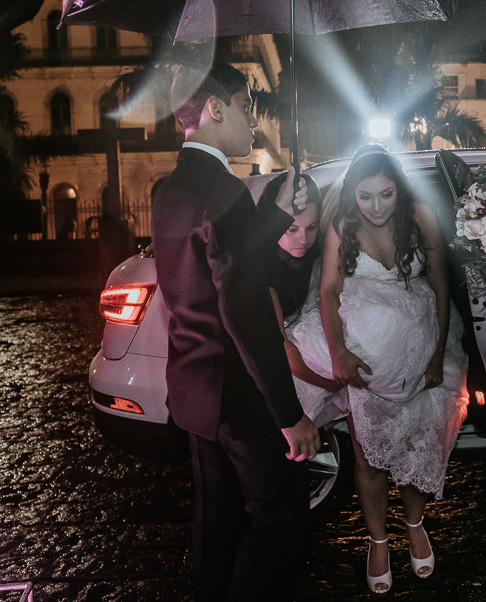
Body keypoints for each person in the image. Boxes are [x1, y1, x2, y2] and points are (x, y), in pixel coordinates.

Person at [149, 63, 320, 602]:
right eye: (247, 107)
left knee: (215, 519)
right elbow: (243, 307)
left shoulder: (171, 187)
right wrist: (288, 414)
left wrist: (273, 215)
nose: (253, 121)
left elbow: (211, 267)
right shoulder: (223, 188)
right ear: (216, 110)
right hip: (241, 395)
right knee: (281, 516)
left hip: (195, 389)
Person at [291, 144, 468, 594]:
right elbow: (329, 291)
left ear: (398, 190)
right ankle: (377, 541)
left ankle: (414, 525)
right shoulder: (342, 225)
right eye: (365, 196)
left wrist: (436, 353)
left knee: (412, 447)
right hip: (366, 362)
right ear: (353, 194)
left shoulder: (421, 217)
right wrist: (338, 353)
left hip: (421, 352)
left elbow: (442, 288)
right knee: (370, 457)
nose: (375, 206)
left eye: (385, 195)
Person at [256, 173, 347, 428]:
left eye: (312, 227)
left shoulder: (318, 251)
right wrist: (334, 385)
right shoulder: (260, 269)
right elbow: (282, 349)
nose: (303, 239)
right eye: (291, 229)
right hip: (278, 366)